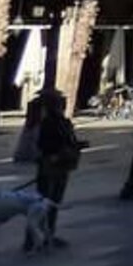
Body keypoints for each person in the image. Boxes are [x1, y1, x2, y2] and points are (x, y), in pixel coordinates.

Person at [34, 92, 84, 242]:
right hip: (51, 165)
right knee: (44, 202)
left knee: (53, 202)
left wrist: (76, 145)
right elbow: (42, 144)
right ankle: (35, 237)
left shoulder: (63, 122)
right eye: (61, 104)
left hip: (61, 165)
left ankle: (48, 234)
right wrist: (58, 151)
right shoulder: (49, 123)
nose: (63, 106)